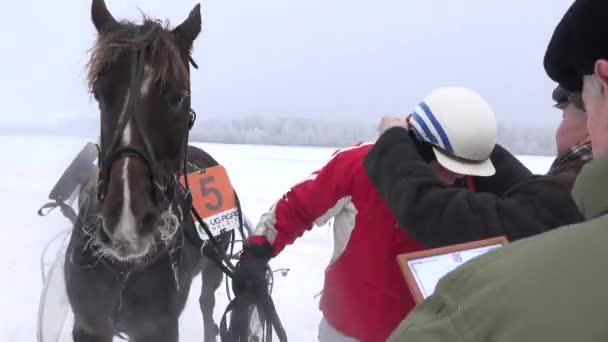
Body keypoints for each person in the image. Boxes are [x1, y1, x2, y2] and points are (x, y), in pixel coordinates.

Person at [386, 0, 608, 340]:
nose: (588, 126)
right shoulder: (572, 188)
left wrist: (393, 143)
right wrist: (468, 141)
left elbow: (442, 213)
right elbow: (529, 193)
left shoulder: (471, 317)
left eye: (574, 110)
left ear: (603, 84)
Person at [232, 86, 522, 342]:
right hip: (346, 331)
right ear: (419, 143)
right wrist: (258, 251)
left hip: (428, 332)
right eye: (445, 167)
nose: (452, 179)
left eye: (461, 172)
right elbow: (297, 207)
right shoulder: (356, 165)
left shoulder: (479, 185)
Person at [362, 86, 589, 248]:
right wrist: (469, 144)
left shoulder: (578, 193)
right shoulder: (583, 191)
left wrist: (393, 141)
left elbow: (433, 214)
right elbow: (527, 201)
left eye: (563, 117)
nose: (453, 179)